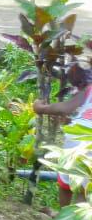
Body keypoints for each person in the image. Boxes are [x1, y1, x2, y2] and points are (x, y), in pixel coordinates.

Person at [33, 63, 91, 209]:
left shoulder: (88, 90)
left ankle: (63, 215)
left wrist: (41, 108)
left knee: (66, 182)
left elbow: (65, 108)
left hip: (77, 137)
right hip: (85, 139)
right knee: (84, 186)